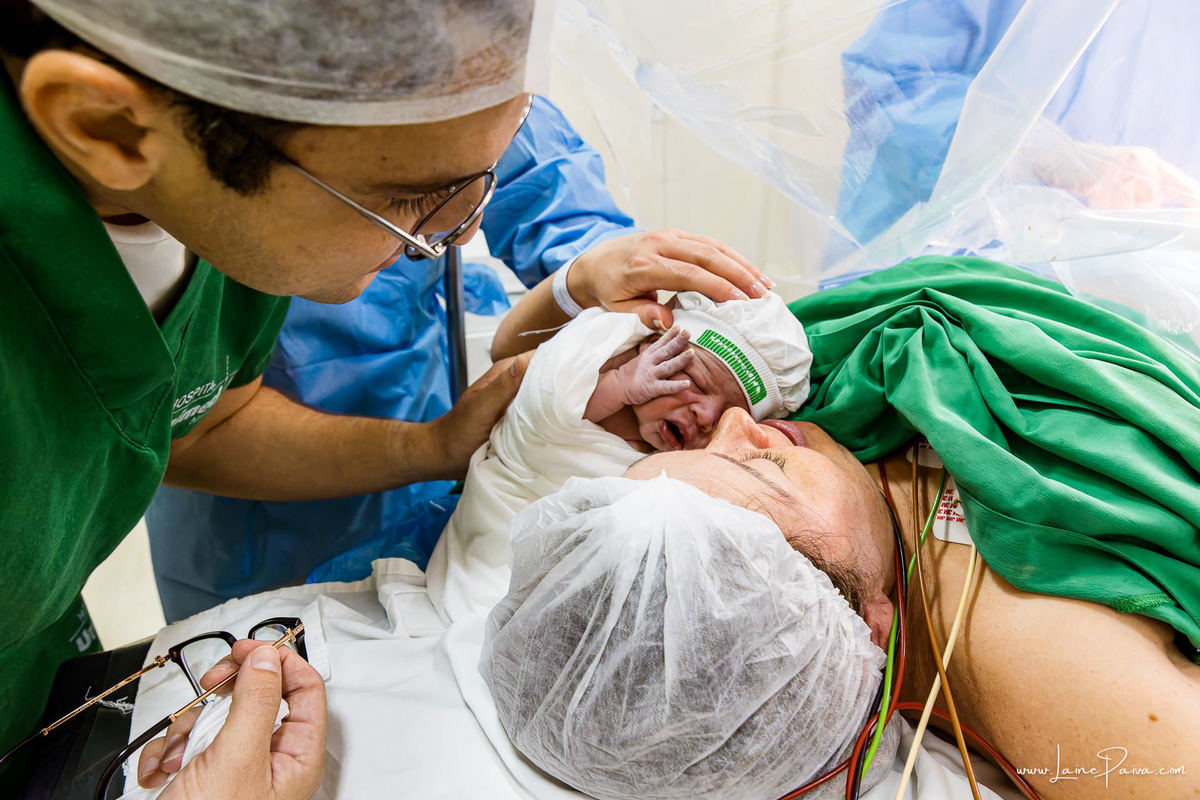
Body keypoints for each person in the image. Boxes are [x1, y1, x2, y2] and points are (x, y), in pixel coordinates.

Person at [0, 0, 773, 794]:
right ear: (108, 127)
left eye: (482, 184)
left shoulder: (228, 215)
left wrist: (435, 444)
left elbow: (197, 426)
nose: (463, 233)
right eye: (409, 201)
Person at [482, 255, 1200, 800]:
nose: (739, 424)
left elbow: (518, 381)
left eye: (687, 458)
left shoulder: (725, 506)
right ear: (866, 623)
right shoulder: (1046, 669)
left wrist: (571, 283)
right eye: (764, 471)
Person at [146, 95, 734, 619]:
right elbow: (198, 430)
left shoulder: (476, 94)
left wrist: (595, 279)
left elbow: (550, 193)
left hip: (432, 464)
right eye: (412, 198)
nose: (461, 226)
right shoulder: (211, 227)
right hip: (250, 525)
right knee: (250, 663)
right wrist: (424, 447)